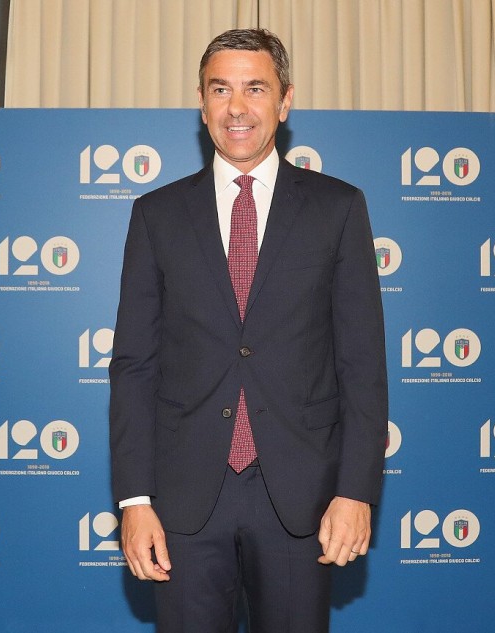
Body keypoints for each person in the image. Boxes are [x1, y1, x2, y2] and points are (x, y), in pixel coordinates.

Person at [109, 28, 388, 633]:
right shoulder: (156, 214)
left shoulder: (338, 208)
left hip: (302, 498)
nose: (237, 107)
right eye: (220, 90)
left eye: (255, 88)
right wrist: (134, 501)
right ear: (201, 103)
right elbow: (134, 366)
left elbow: (362, 363)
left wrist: (356, 491)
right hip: (183, 499)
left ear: (285, 101)